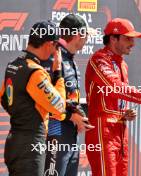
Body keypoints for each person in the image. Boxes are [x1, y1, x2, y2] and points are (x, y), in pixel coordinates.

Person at [85, 18, 141, 176]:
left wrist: (124, 112)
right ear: (113, 38)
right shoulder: (99, 59)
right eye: (128, 38)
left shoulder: (122, 64)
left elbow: (117, 95)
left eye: (133, 39)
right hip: (102, 132)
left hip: (120, 130)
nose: (133, 43)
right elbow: (114, 88)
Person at [0, 21, 66, 176]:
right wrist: (58, 74)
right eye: (56, 47)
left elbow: (4, 99)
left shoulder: (13, 65)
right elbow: (59, 108)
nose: (55, 52)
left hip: (14, 142)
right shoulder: (36, 72)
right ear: (50, 44)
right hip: (31, 146)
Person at [43, 14, 94, 176]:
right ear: (78, 35)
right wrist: (72, 117)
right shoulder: (54, 56)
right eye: (87, 35)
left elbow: (69, 96)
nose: (87, 40)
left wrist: (79, 115)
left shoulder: (68, 57)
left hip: (70, 132)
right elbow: (47, 99)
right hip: (56, 130)